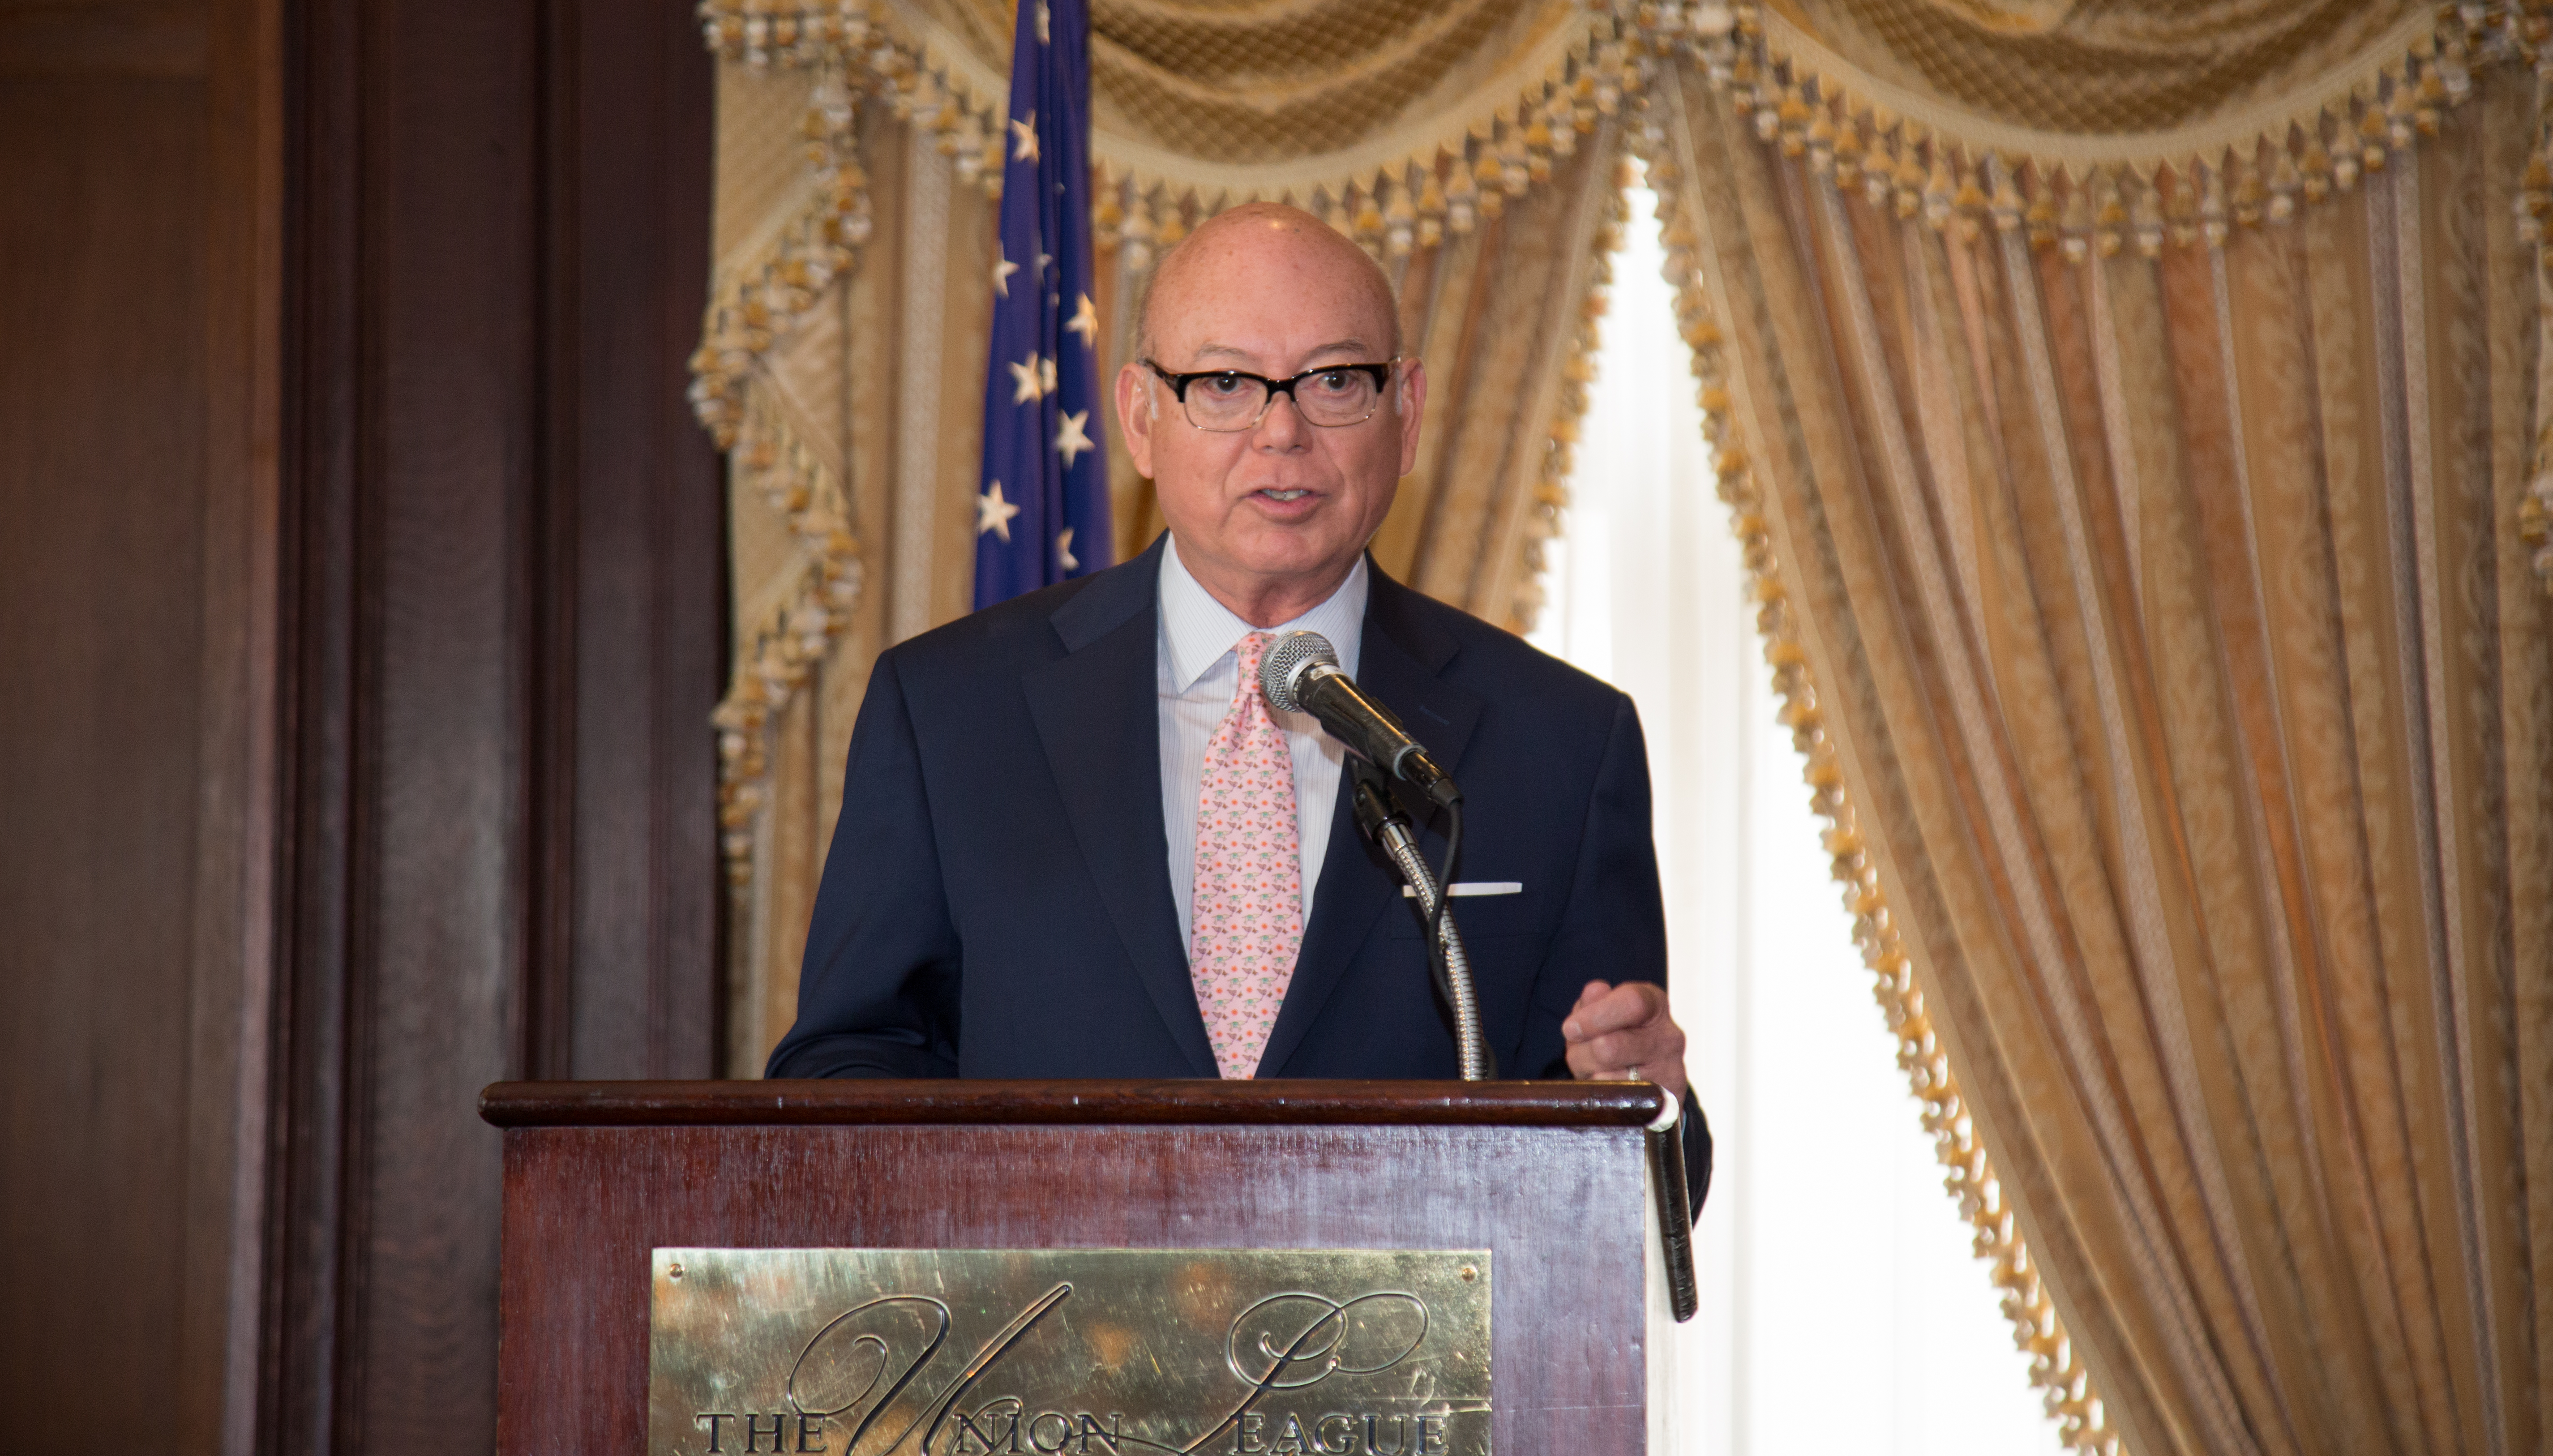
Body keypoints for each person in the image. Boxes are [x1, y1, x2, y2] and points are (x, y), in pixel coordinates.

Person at [767, 203, 1704, 1194]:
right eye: (1224, 384)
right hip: (1047, 1330)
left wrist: (1646, 1108)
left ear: (1408, 413)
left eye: (1336, 381)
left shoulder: (1559, 741)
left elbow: (1639, 1184)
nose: (1282, 431)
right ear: (1138, 417)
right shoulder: (954, 712)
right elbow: (844, 1072)